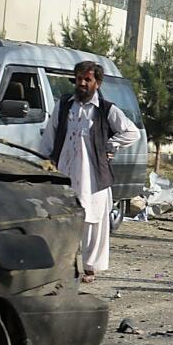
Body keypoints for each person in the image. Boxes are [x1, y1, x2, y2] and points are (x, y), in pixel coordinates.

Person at [39, 60, 139, 283]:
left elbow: (132, 133)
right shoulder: (64, 105)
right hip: (65, 170)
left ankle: (90, 268)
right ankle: (62, 264)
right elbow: (50, 135)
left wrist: (111, 146)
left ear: (98, 83)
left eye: (88, 79)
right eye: (79, 79)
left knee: (92, 219)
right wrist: (45, 161)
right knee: (62, 216)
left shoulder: (105, 109)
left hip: (92, 175)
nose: (82, 83)